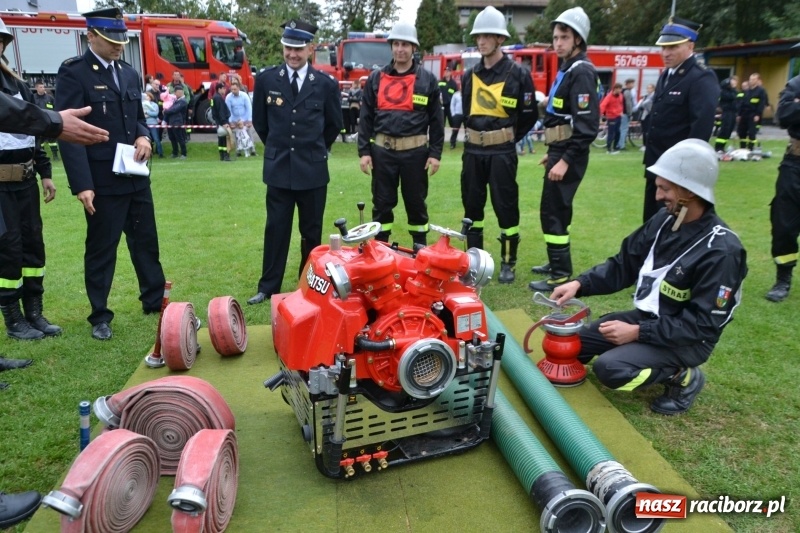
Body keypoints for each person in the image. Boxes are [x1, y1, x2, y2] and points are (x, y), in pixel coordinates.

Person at [551, 139, 747, 415]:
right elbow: (623, 265)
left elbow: (703, 325)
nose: (657, 196)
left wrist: (637, 333)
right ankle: (641, 353)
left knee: (611, 369)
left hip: (689, 340)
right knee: (575, 346)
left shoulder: (722, 251)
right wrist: (579, 284)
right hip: (650, 320)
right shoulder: (664, 220)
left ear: (689, 192)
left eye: (665, 188)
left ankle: (683, 376)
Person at [56, 7, 166, 341]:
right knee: (102, 249)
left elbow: (136, 119)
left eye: (121, 40)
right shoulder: (75, 73)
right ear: (90, 36)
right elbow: (69, 132)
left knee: (146, 242)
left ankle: (154, 300)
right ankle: (100, 315)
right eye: (111, 40)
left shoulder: (129, 73)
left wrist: (144, 137)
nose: (119, 46)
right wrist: (82, 185)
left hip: (135, 175)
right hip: (102, 180)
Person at [247, 18, 341, 305]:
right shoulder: (266, 80)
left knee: (311, 233)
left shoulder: (325, 85)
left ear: (311, 49)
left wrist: (312, 150)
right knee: (276, 229)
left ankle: (308, 284)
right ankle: (268, 287)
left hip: (312, 171)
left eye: (298, 49)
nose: (292, 54)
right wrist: (280, 150)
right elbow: (261, 124)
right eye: (288, 48)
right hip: (278, 170)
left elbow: (333, 125)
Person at [461, 6, 537, 283]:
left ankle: (508, 262)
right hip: (473, 151)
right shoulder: (469, 75)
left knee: (506, 207)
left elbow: (529, 115)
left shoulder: (518, 74)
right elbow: (466, 113)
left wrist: (506, 137)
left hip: (502, 152)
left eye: (487, 36)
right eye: (478, 36)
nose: (481, 41)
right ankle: (475, 262)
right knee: (472, 208)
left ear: (500, 39)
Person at [528, 7, 598, 292]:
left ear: (578, 39)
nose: (558, 43)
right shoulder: (568, 68)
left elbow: (587, 127)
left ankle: (560, 274)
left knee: (553, 211)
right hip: (560, 149)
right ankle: (556, 262)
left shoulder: (581, 72)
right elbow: (563, 117)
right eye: (556, 37)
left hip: (569, 154)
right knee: (555, 210)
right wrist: (554, 152)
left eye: (564, 37)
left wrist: (565, 160)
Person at [0, 21, 62, 342]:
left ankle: (34, 312)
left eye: (1, 40)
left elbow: (32, 132)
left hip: (25, 181)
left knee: (33, 245)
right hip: (1, 187)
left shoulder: (17, 84)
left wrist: (45, 173)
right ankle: (13, 320)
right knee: (8, 249)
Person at [357, 21, 443, 248]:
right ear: (391, 46)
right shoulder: (376, 78)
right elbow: (366, 118)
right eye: (396, 44)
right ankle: (380, 249)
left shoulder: (427, 80)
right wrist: (364, 151)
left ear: (414, 47)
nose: (400, 49)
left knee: (416, 204)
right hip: (382, 153)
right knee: (382, 204)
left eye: (405, 44)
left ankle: (420, 249)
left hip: (415, 154)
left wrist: (435, 154)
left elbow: (437, 120)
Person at [642, 16, 719, 223]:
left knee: (675, 226)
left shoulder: (700, 77)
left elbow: (701, 128)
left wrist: (687, 172)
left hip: (678, 173)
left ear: (690, 46)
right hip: (656, 165)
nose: (666, 53)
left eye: (673, 47)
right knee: (651, 224)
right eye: (663, 47)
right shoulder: (666, 75)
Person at [765, 74, 800, 303]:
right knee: (784, 225)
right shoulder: (796, 84)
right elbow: (783, 115)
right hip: (794, 164)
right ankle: (783, 279)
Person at [737, 73, 768, 150]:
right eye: (750, 79)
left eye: (753, 79)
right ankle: (742, 148)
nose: (751, 81)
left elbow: (761, 104)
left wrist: (758, 114)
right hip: (744, 114)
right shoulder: (747, 91)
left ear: (757, 80)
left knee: (751, 132)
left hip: (753, 114)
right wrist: (739, 114)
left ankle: (750, 148)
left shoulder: (761, 91)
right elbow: (742, 103)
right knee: (742, 132)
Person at [225, 80, 256, 157]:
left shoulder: (244, 96)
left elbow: (249, 108)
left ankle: (252, 149)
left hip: (245, 118)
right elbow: (228, 110)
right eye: (232, 89)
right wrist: (231, 121)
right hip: (234, 120)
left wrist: (249, 120)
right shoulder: (228, 97)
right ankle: (238, 150)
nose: (233, 91)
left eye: (235, 89)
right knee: (237, 135)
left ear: (238, 88)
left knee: (249, 132)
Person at [32, 81, 60, 161]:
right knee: (40, 141)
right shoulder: (33, 98)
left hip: (50, 121)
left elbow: (55, 108)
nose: (43, 88)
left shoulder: (50, 98)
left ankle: (55, 156)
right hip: (39, 122)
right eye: (41, 87)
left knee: (52, 141)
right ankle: (42, 156)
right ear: (36, 88)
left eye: (43, 87)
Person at [713, 75, 739, 153]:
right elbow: (731, 96)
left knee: (729, 130)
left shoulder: (734, 91)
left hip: (733, 112)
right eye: (733, 81)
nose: (734, 83)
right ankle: (718, 147)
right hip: (727, 112)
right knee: (724, 129)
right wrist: (731, 87)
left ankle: (722, 147)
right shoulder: (724, 91)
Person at [164, 84, 188, 158]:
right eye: (178, 92)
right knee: (172, 138)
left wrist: (166, 111)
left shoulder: (183, 101)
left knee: (180, 138)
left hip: (178, 122)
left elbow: (175, 109)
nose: (179, 93)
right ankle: (175, 153)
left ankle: (184, 153)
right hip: (171, 122)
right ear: (175, 93)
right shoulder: (174, 100)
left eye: (181, 92)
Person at [210, 82, 232, 161]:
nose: (225, 90)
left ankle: (222, 156)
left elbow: (214, 111)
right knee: (225, 139)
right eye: (223, 88)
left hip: (218, 122)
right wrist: (224, 122)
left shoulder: (214, 97)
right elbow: (221, 111)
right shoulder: (218, 98)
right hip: (222, 123)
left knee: (221, 139)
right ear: (219, 89)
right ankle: (226, 156)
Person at [600, 83, 623, 154]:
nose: (620, 90)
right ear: (615, 89)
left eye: (620, 89)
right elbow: (602, 105)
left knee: (618, 132)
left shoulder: (620, 95)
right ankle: (609, 148)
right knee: (611, 133)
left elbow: (620, 104)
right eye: (619, 89)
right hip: (611, 117)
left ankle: (615, 147)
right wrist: (600, 115)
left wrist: (621, 111)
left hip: (618, 116)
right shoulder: (609, 97)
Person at [142, 91, 163, 158]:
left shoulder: (154, 105)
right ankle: (149, 153)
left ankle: (160, 153)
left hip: (153, 124)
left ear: (150, 97)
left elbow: (155, 114)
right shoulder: (142, 104)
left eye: (147, 96)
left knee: (156, 139)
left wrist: (147, 112)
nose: (146, 97)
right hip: (145, 124)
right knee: (147, 139)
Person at [634, 83, 655, 148]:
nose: (648, 89)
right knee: (644, 130)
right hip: (644, 115)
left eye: (650, 88)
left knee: (647, 130)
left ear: (653, 89)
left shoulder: (654, 96)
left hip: (649, 114)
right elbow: (641, 104)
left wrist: (643, 104)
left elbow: (646, 104)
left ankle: (646, 144)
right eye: (647, 88)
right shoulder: (646, 96)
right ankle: (644, 144)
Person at [617, 78, 635, 150]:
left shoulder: (622, 91)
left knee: (620, 129)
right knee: (624, 129)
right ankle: (621, 145)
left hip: (620, 112)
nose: (633, 85)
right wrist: (630, 113)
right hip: (625, 113)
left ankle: (618, 144)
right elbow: (628, 103)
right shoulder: (627, 92)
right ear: (628, 84)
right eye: (632, 83)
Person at [439, 65, 458, 130]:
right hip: (442, 106)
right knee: (441, 122)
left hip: (450, 106)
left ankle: (454, 135)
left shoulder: (453, 84)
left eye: (447, 71)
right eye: (445, 71)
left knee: (452, 122)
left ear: (450, 73)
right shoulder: (440, 82)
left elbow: (456, 95)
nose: (446, 72)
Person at [449, 85, 463, 149]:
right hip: (457, 114)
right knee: (455, 130)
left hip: (466, 115)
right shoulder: (456, 95)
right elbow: (452, 104)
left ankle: (468, 144)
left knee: (468, 130)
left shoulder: (468, 94)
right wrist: (453, 114)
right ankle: (452, 143)